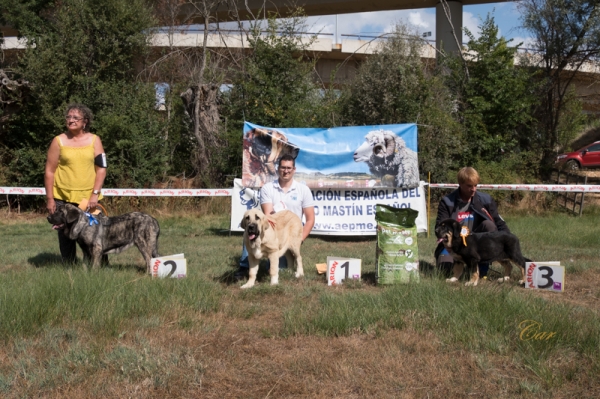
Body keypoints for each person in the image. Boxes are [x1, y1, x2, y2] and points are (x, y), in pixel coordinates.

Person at [235, 154, 315, 280]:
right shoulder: (267, 188)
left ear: (294, 170)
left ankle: (293, 263)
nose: (286, 171)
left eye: (289, 168)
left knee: (278, 269)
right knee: (251, 231)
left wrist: (299, 239)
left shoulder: (303, 190)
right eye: (283, 167)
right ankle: (244, 267)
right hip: (273, 231)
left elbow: (310, 219)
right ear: (278, 169)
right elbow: (267, 217)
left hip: (291, 231)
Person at [45, 103, 107, 263]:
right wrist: (50, 199)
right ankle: (69, 266)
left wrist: (95, 194)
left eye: (75, 117)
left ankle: (101, 266)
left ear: (85, 121)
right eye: (68, 117)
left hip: (89, 197)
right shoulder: (58, 141)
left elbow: (101, 169)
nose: (71, 120)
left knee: (97, 232)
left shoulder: (95, 140)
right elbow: (49, 171)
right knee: (65, 236)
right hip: (62, 197)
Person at [434, 167, 510, 278]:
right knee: (445, 271)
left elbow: (499, 223)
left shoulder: (486, 200)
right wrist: (447, 246)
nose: (473, 189)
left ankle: (482, 267)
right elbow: (439, 228)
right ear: (460, 183)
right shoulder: (447, 201)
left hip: (478, 246)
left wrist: (507, 243)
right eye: (469, 186)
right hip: (453, 246)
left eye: (475, 185)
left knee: (489, 225)